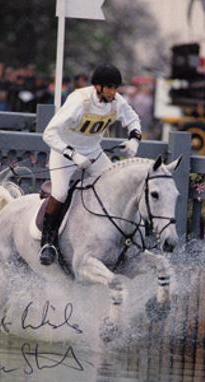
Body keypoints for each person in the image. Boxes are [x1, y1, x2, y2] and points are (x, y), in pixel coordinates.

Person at [40, 63, 142, 266]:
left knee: (114, 187)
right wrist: (73, 154)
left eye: (116, 88)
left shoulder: (116, 101)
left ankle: (123, 240)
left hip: (94, 153)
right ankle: (47, 243)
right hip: (65, 153)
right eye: (110, 88)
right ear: (98, 87)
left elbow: (133, 120)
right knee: (60, 193)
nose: (114, 92)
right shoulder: (79, 100)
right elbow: (48, 133)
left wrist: (134, 140)